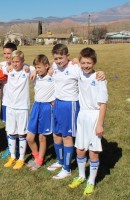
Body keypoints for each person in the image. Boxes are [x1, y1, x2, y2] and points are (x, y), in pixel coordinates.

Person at [47, 44, 105, 179]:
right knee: (56, 135)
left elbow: (88, 71)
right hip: (58, 103)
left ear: (67, 56)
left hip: (70, 105)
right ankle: (61, 161)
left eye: (61, 58)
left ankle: (66, 169)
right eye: (56, 58)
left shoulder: (75, 68)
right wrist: (48, 64)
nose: (58, 61)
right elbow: (48, 64)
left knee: (67, 137)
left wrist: (100, 73)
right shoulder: (55, 66)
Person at [68, 47, 108, 196]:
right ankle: (81, 176)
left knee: (93, 153)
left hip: (94, 117)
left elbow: (103, 104)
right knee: (79, 149)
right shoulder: (79, 71)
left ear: (94, 62)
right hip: (82, 116)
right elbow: (72, 60)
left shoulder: (99, 79)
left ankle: (91, 181)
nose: (86, 65)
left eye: (89, 63)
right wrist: (76, 61)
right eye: (83, 62)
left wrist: (99, 125)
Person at [3, 50, 33, 170]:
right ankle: (12, 156)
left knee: (22, 133)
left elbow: (41, 67)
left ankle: (21, 158)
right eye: (13, 61)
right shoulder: (8, 69)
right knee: (11, 132)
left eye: (18, 62)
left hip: (22, 107)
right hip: (10, 106)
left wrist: (28, 67)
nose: (15, 64)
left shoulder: (27, 69)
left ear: (23, 61)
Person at [26, 54, 55, 170]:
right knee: (29, 138)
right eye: (36, 67)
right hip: (36, 106)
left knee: (42, 137)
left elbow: (61, 62)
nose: (37, 70)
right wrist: (34, 71)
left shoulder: (52, 75)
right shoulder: (35, 74)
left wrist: (50, 67)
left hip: (47, 107)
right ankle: (36, 156)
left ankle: (40, 161)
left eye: (39, 67)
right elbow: (28, 68)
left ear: (47, 66)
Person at [0, 42, 17, 159]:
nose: (6, 56)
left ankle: (19, 147)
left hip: (17, 102)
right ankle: (10, 148)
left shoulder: (21, 65)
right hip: (5, 101)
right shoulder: (1, 65)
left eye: (9, 53)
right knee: (8, 127)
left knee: (17, 126)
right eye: (5, 53)